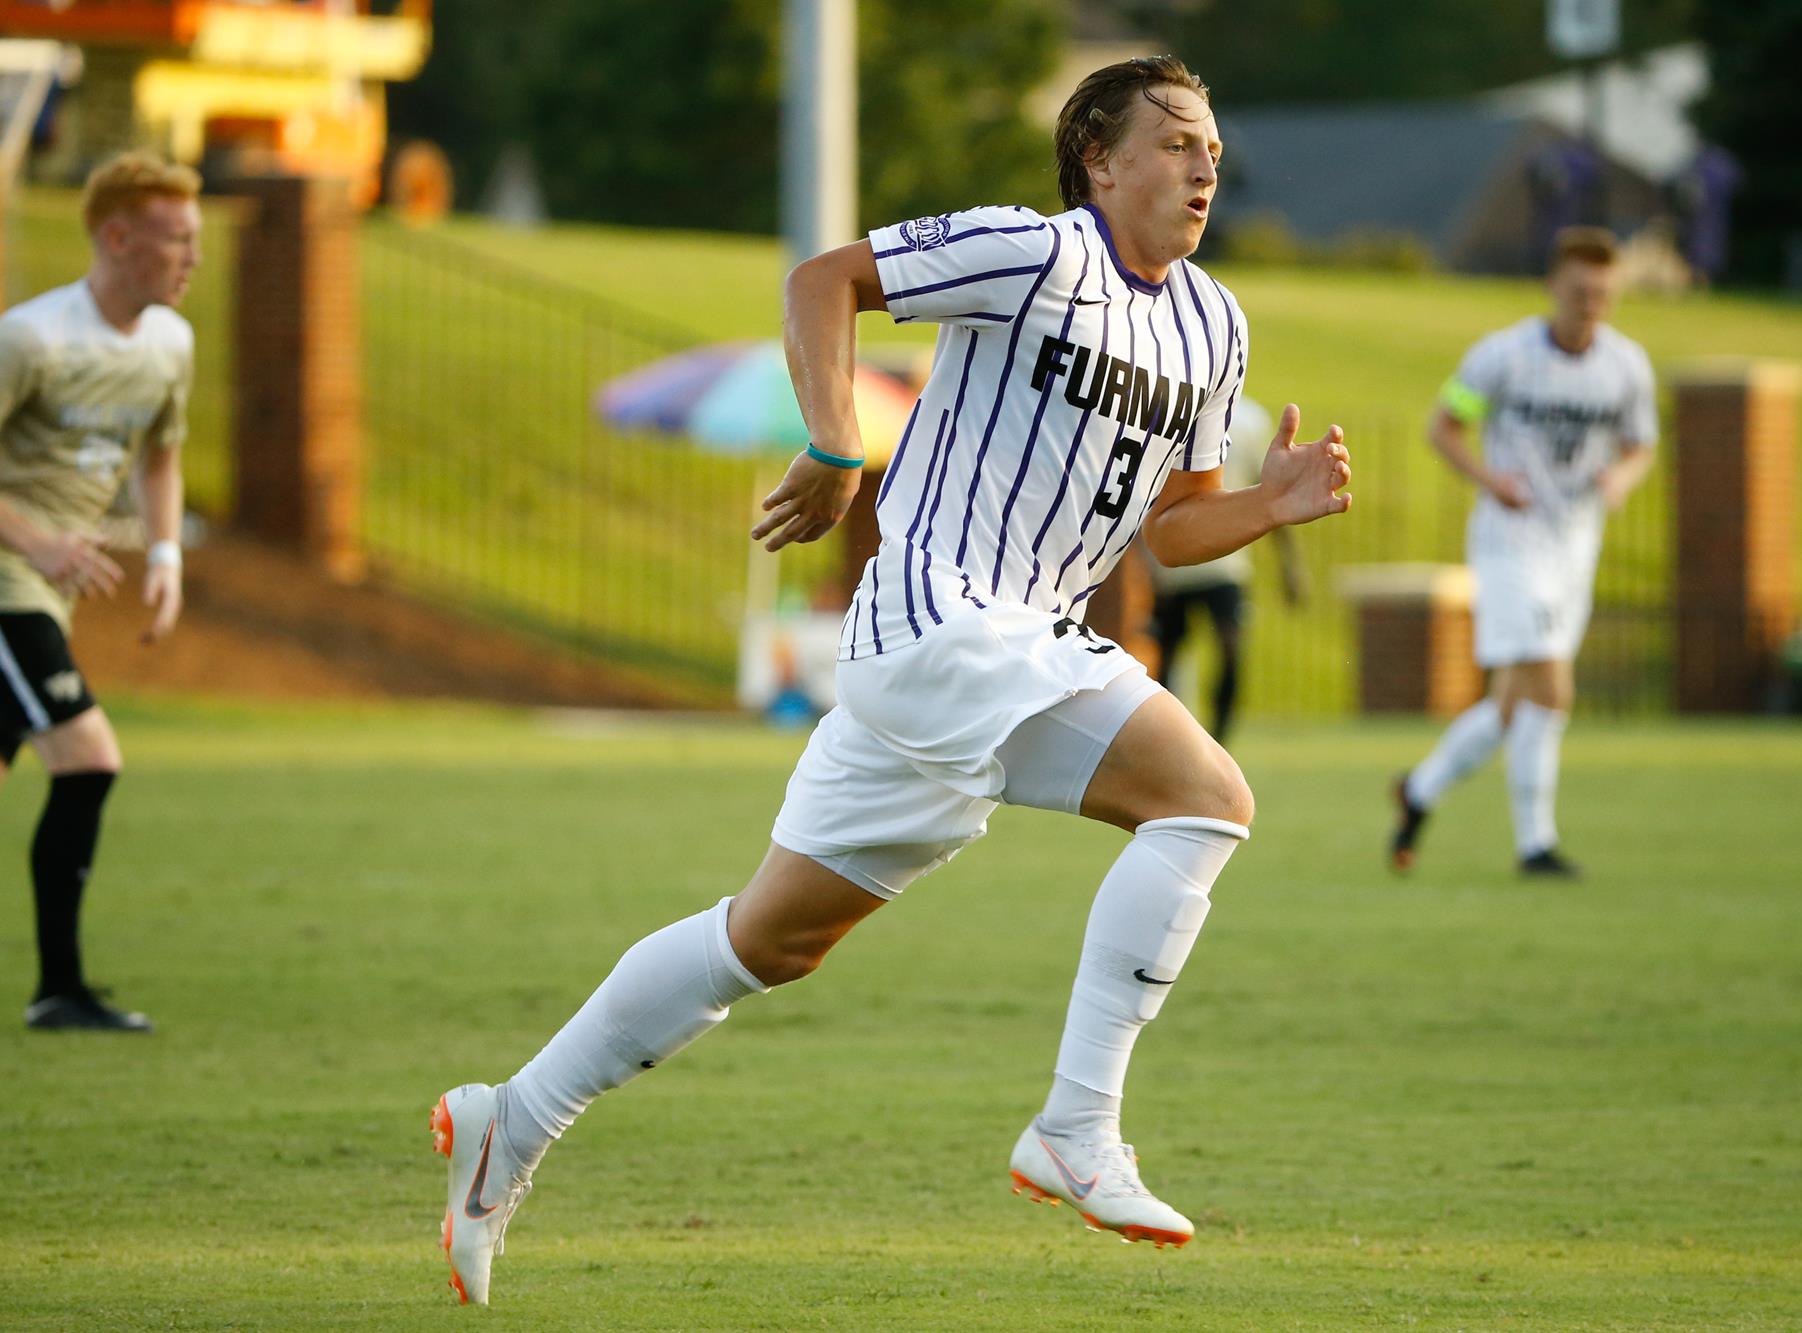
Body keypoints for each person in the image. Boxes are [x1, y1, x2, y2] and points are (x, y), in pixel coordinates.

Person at [430, 56, 1354, 1306]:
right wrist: (833, 441)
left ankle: (512, 1116)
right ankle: (1075, 1128)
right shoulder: (1029, 251)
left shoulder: (1213, 322)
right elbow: (825, 280)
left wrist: (1267, 507)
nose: (1205, 167)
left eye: (1214, 151)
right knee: (1206, 798)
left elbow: (1173, 527)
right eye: (1178, 140)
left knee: (768, 939)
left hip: (985, 657)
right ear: (1098, 159)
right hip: (944, 623)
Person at [1388, 226, 1655, 878]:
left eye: (1602, 293)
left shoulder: (1626, 366)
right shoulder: (1503, 356)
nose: (1590, 305)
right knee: (1551, 683)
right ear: (1553, 286)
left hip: (1576, 545)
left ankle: (1418, 792)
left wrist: (1621, 477)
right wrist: (1491, 480)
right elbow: (1444, 427)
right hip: (1511, 541)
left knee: (1512, 705)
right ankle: (1536, 844)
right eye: (1579, 291)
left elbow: (1641, 443)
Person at [0, 152, 197, 1033]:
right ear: (118, 239)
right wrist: (38, 541)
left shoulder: (171, 344)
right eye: (177, 239)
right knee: (89, 756)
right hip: (8, 583)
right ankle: (61, 989)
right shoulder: (32, 339)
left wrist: (165, 556)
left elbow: (161, 455)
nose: (193, 257)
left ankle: (58, 990)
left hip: (44, 592)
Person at [1144, 397, 1303, 745]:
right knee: (1165, 659)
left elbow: (1270, 494)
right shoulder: (1171, 408)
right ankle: (1174, 741)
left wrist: (1290, 566)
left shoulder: (1250, 420)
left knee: (1231, 650)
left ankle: (1218, 740)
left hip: (1226, 565)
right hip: (1173, 565)